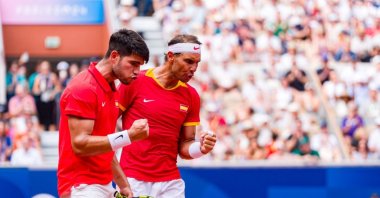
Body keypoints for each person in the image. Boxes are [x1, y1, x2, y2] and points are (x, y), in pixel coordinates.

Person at [118, 34, 217, 198]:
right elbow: (106, 124)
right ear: (171, 57)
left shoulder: (191, 95)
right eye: (189, 61)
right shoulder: (135, 81)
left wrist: (201, 148)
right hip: (133, 180)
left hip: (171, 182)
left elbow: (185, 147)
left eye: (197, 63)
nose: (194, 68)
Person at [57, 29, 150, 198]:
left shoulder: (112, 90)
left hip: (103, 186)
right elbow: (80, 144)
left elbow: (105, 147)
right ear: (114, 56)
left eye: (140, 66)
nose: (137, 71)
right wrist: (129, 136)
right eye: (133, 64)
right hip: (81, 187)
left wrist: (124, 185)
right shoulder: (83, 88)